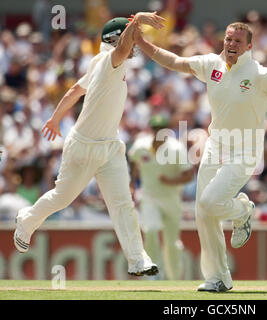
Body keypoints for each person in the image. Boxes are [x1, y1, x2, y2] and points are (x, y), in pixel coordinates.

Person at [134, 20, 267, 291]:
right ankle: (218, 278)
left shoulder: (260, 74)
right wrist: (142, 42)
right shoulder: (210, 65)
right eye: (228, 39)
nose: (231, 44)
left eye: (238, 41)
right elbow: (174, 61)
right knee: (203, 212)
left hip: (246, 149)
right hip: (217, 146)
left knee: (209, 202)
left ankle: (243, 211)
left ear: (249, 46)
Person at [13, 12, 166, 277]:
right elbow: (121, 48)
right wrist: (138, 19)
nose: (137, 45)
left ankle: (138, 260)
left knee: (122, 204)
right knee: (62, 198)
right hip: (84, 145)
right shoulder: (109, 60)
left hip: (110, 147)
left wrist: (54, 119)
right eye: (134, 39)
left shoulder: (100, 62)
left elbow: (75, 91)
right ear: (119, 40)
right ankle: (26, 221)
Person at [128, 114, 194, 280]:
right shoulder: (141, 145)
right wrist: (131, 185)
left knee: (171, 243)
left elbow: (188, 175)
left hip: (171, 198)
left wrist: (170, 181)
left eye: (161, 129)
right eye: (156, 129)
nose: (158, 132)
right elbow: (134, 164)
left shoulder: (177, 148)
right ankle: (154, 274)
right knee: (150, 230)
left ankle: (175, 278)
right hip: (149, 196)